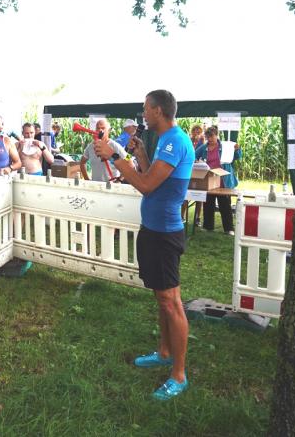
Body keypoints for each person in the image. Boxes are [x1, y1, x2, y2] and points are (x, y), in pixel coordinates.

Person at [93, 89, 193, 400]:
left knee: (171, 301)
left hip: (164, 234)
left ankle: (179, 375)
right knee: (162, 298)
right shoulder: (164, 140)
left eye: (146, 108)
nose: (143, 113)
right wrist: (140, 156)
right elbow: (152, 179)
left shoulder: (175, 141)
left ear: (158, 110)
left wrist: (116, 157)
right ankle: (164, 352)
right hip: (153, 229)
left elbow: (147, 185)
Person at [195, 125, 241, 234]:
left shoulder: (225, 146)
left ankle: (229, 229)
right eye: (208, 137)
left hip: (223, 180)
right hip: (209, 179)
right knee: (208, 204)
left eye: (212, 136)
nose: (210, 139)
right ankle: (208, 227)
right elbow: (194, 155)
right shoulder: (204, 147)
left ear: (217, 135)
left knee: (225, 205)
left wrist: (237, 150)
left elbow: (237, 157)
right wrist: (197, 161)